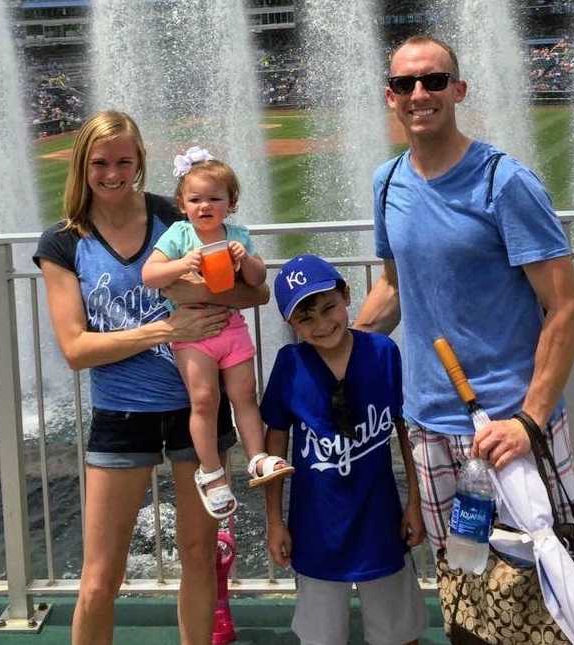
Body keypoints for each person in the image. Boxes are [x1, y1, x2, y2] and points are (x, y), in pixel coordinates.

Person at [33, 111, 268, 645]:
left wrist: (213, 290)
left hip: (194, 411)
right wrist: (167, 327)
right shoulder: (64, 242)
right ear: (82, 165)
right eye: (100, 163)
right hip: (121, 417)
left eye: (124, 161)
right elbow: (75, 350)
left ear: (139, 162)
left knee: (199, 559)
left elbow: (255, 295)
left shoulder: (176, 216)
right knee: (100, 578)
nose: (112, 173)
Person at [355, 35, 574, 554]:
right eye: (404, 83)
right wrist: (335, 352)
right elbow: (394, 285)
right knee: (465, 588)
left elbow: (565, 309)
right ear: (389, 95)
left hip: (507, 425)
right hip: (428, 425)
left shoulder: (505, 182)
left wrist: (529, 420)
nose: (419, 93)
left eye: (434, 81)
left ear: (458, 90)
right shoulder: (387, 183)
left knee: (552, 586)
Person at [262, 254, 427, 645]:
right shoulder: (291, 364)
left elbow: (406, 431)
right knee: (321, 637)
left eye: (328, 308)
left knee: (398, 633)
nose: (322, 324)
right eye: (306, 318)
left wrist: (415, 503)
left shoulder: (383, 353)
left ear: (346, 295)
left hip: (380, 520)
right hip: (316, 527)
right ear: (291, 324)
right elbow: (275, 441)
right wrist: (274, 520)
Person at [142, 147, 294, 519]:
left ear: (231, 203)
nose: (205, 206)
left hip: (231, 329)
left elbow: (258, 281)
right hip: (193, 335)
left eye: (214, 198)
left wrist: (247, 260)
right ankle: (210, 471)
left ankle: (257, 458)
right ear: (182, 203)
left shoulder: (237, 235)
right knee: (206, 400)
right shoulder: (179, 235)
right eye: (195, 199)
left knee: (245, 395)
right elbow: (149, 276)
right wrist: (181, 263)